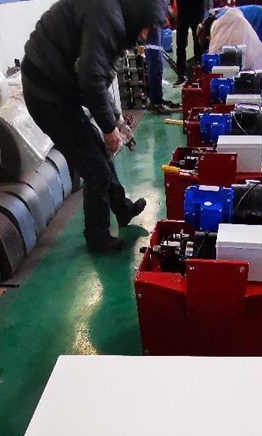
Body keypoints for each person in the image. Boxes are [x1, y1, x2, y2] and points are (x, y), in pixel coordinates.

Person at [21, 0, 168, 253]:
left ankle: (122, 209)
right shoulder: (106, 17)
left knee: (99, 153)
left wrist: (117, 121)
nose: (144, 35)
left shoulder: (113, 15)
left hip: (60, 92)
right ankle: (97, 236)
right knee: (95, 169)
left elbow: (99, 77)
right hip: (46, 96)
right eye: (146, 27)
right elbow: (91, 81)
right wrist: (109, 129)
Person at [198, 7, 262, 70]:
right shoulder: (223, 16)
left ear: (208, 37)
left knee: (248, 51)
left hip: (261, 19)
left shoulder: (220, 28)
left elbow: (212, 56)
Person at [175, 0, 204, 85]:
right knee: (180, 43)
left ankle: (199, 71)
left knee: (198, 42)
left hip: (196, 9)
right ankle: (181, 75)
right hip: (183, 10)